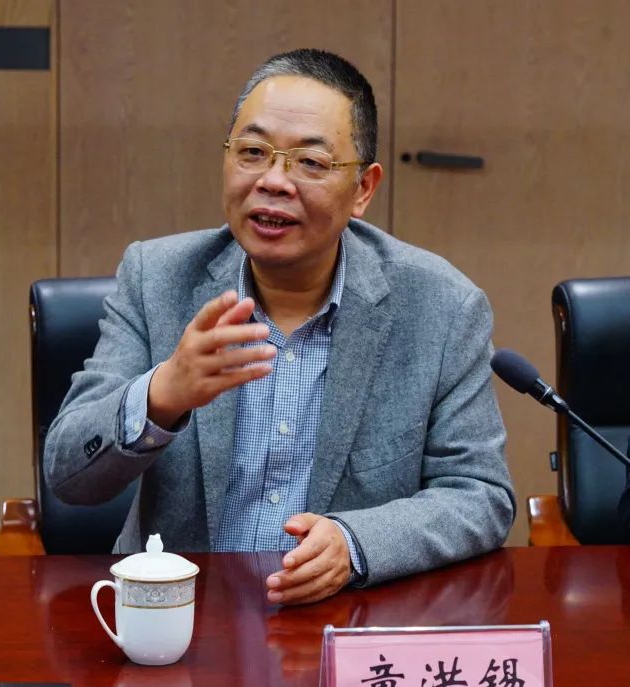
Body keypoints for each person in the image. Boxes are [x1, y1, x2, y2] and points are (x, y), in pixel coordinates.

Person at [45, 48, 515, 605]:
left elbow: (480, 495)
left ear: (363, 189)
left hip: (346, 620)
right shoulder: (157, 279)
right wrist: (163, 394)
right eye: (252, 152)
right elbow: (68, 475)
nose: (273, 181)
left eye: (310, 163)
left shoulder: (441, 307)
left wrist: (355, 544)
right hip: (183, 621)